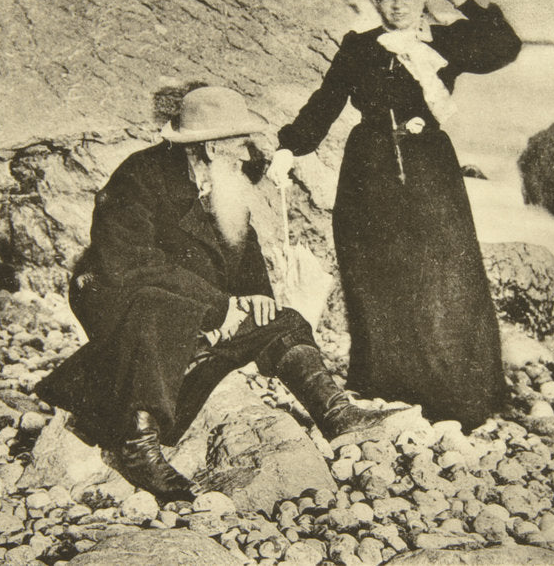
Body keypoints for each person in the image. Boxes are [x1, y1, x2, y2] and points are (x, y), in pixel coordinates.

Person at [35, 86, 399, 501]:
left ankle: (336, 414)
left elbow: (243, 240)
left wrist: (254, 293)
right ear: (209, 147)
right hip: (116, 293)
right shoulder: (140, 176)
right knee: (159, 311)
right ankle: (136, 447)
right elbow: (132, 263)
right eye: (239, 145)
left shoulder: (221, 177)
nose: (247, 154)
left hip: (190, 295)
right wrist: (219, 307)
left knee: (280, 321)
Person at [266, 0, 522, 430]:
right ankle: (384, 386)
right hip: (367, 171)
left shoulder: (447, 41)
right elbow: (325, 103)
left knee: (443, 277)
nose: (398, 6)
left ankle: (458, 397)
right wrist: (289, 148)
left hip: (431, 171)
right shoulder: (358, 46)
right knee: (377, 274)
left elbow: (505, 47)